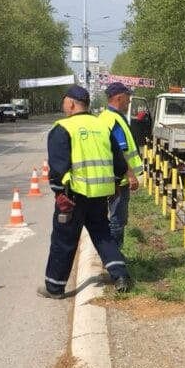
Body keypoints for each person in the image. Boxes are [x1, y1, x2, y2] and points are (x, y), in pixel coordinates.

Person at [40, 86, 134, 298]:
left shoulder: (62, 128)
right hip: (100, 195)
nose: (64, 106)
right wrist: (117, 184)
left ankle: (54, 287)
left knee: (64, 240)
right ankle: (120, 275)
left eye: (65, 102)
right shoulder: (101, 127)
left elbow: (58, 166)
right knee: (103, 234)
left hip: (72, 196)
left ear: (71, 103)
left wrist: (59, 192)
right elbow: (119, 162)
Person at [99, 82, 143, 249]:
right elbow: (121, 151)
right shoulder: (114, 120)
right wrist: (130, 175)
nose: (129, 101)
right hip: (120, 180)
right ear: (118, 97)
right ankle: (116, 258)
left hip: (109, 178)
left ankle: (112, 257)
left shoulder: (105, 117)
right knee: (117, 220)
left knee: (112, 218)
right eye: (127, 97)